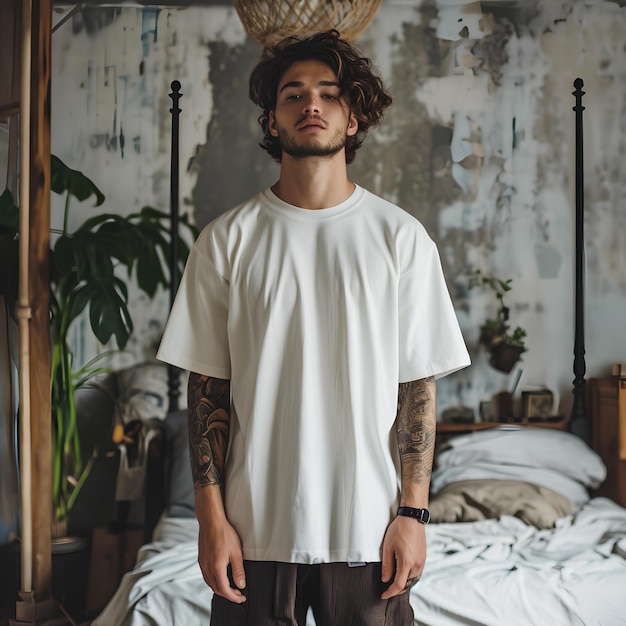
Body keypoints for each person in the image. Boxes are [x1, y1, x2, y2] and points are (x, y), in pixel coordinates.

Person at [157, 29, 470, 625]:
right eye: (293, 94)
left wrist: (414, 515)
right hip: (252, 537)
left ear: (353, 118)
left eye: (329, 93)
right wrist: (210, 520)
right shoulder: (227, 240)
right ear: (272, 122)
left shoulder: (400, 239)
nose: (312, 105)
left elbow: (417, 391)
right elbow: (207, 394)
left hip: (369, 534)